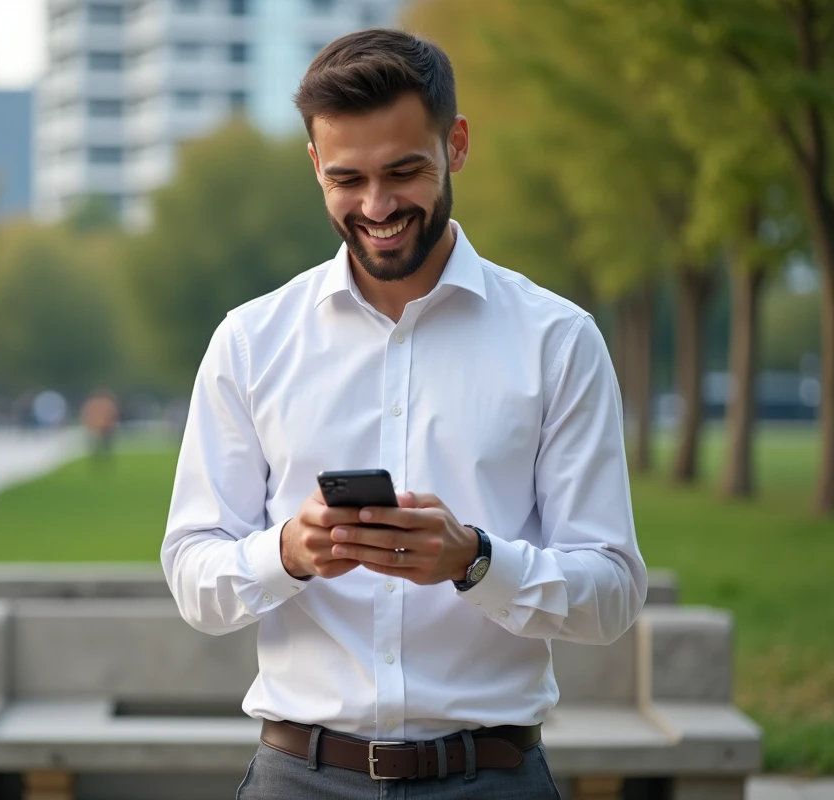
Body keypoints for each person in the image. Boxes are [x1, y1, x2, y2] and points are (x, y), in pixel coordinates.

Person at [161, 29, 647, 799]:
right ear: (315, 165)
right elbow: (193, 574)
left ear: (457, 145)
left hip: (493, 781)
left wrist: (475, 562)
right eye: (347, 178)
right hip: (298, 779)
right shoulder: (250, 343)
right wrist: (288, 551)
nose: (377, 206)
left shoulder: (557, 341)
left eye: (403, 171)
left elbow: (613, 592)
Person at [80, 389, 119, 465]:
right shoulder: (103, 403)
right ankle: (100, 461)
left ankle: (103, 460)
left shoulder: (100, 403)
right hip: (99, 428)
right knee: (98, 447)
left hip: (103, 428)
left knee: (104, 446)